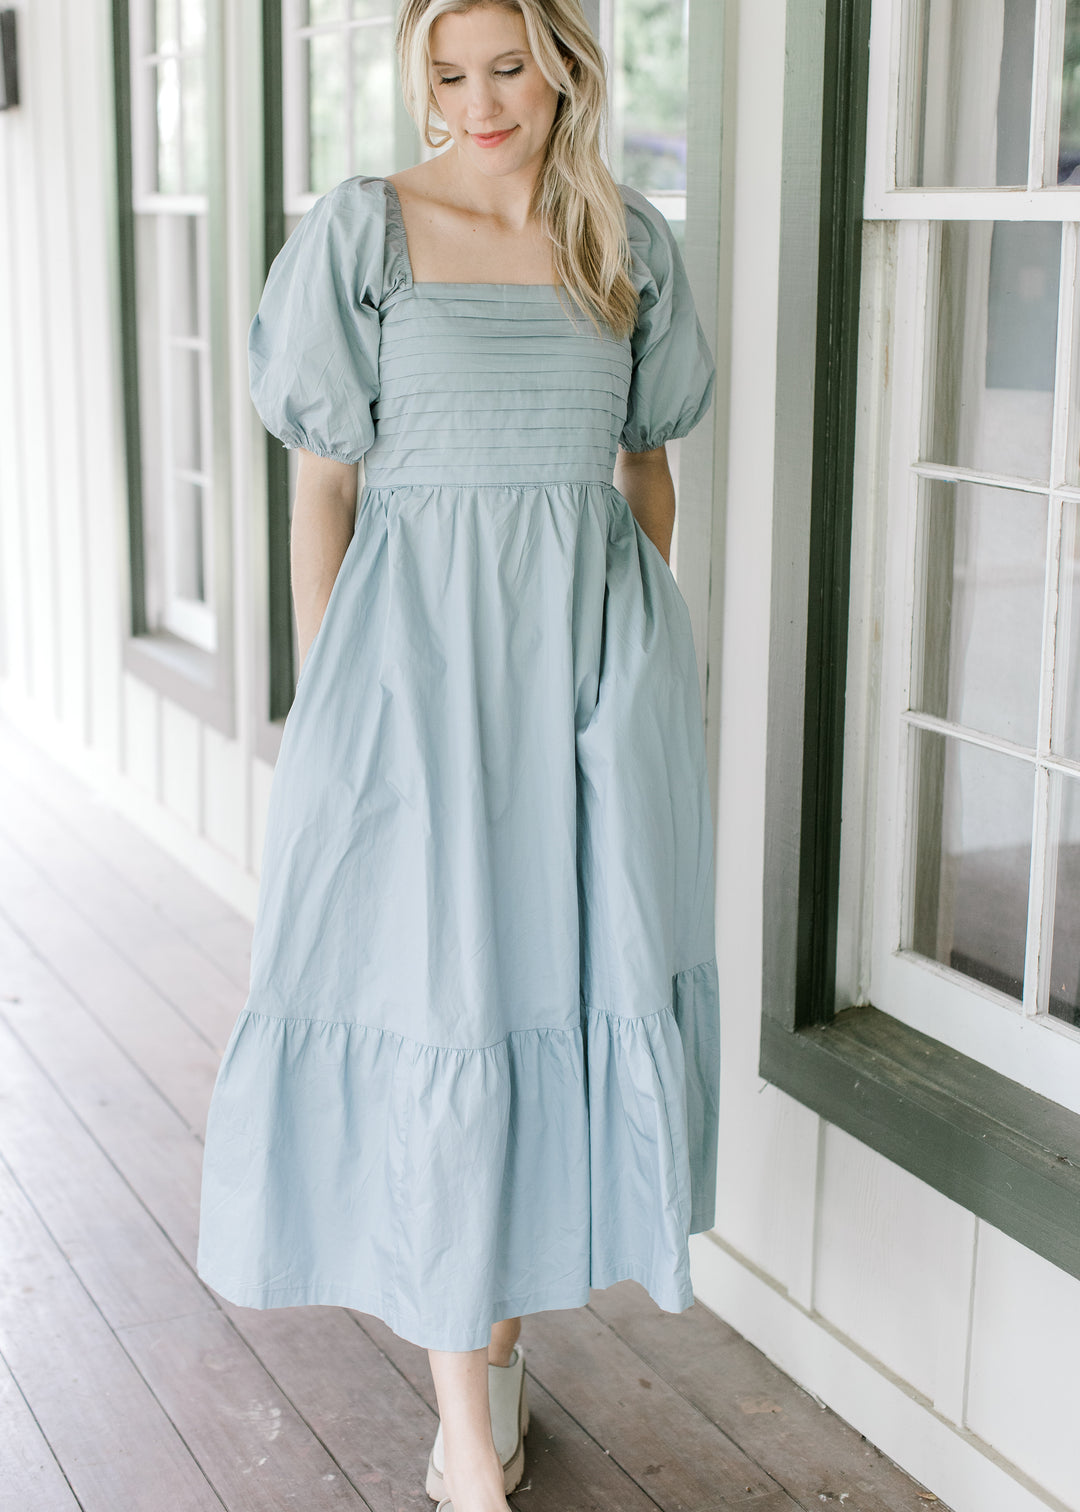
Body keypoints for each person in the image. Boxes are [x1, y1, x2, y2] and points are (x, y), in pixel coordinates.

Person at [195, 2, 721, 1509]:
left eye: (508, 67)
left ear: (565, 67)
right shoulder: (368, 231)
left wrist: (627, 663)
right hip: (412, 690)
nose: (478, 102)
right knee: (443, 1009)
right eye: (446, 72)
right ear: (417, 79)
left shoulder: (626, 241)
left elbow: (647, 478)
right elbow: (323, 499)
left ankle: (487, 1356)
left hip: (585, 693)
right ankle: (472, 1452)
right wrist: (331, 709)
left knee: (540, 999)